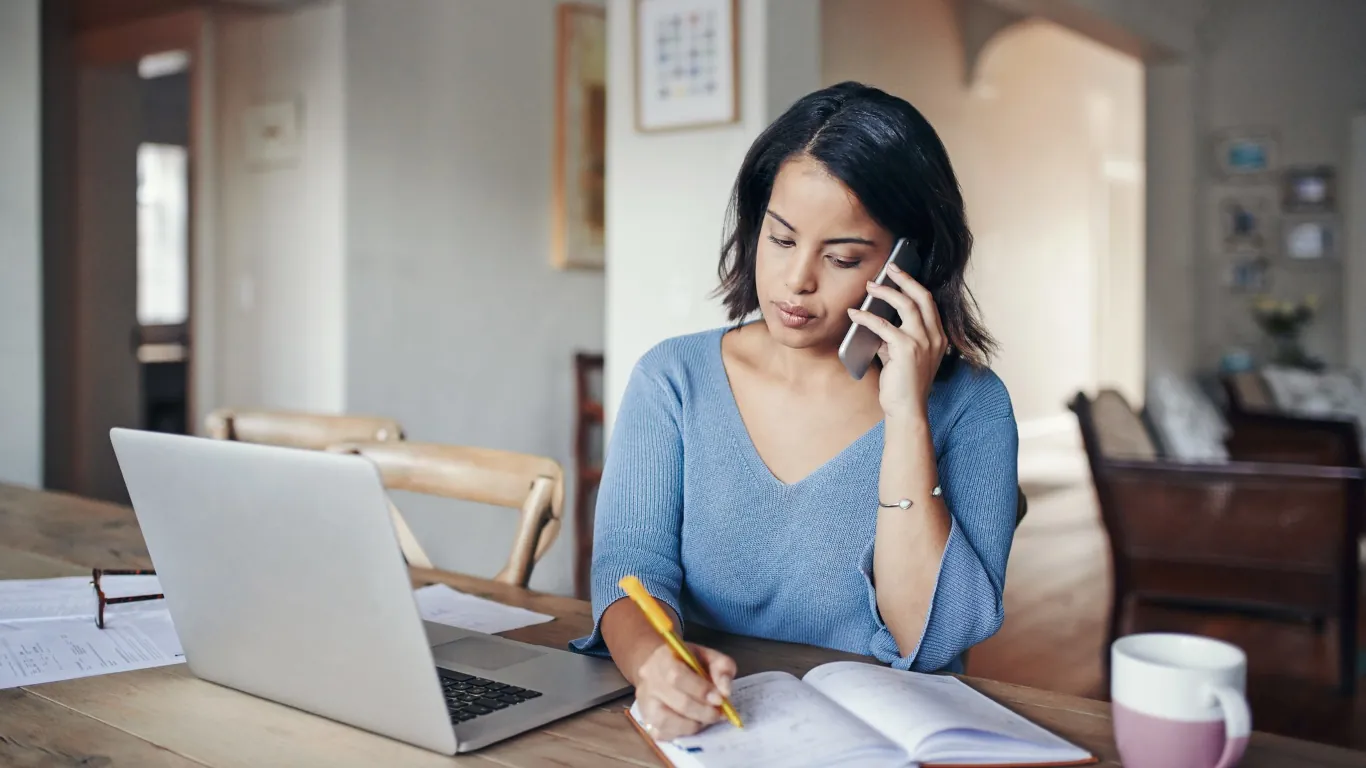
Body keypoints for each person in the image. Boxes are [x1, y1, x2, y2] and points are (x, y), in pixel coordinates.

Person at [569, 81, 1019, 741]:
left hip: (882, 744)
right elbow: (629, 564)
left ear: (910, 262)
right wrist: (654, 664)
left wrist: (906, 417)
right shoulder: (673, 379)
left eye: (841, 257)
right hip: (708, 734)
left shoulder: (973, 408)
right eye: (781, 240)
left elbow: (928, 640)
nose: (797, 280)